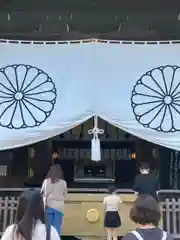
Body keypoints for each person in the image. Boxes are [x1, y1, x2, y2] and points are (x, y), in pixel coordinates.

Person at [41, 164, 67, 235]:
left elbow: (42, 193)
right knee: (57, 227)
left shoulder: (46, 181)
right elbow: (65, 195)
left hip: (49, 206)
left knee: (48, 226)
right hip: (59, 207)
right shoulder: (63, 182)